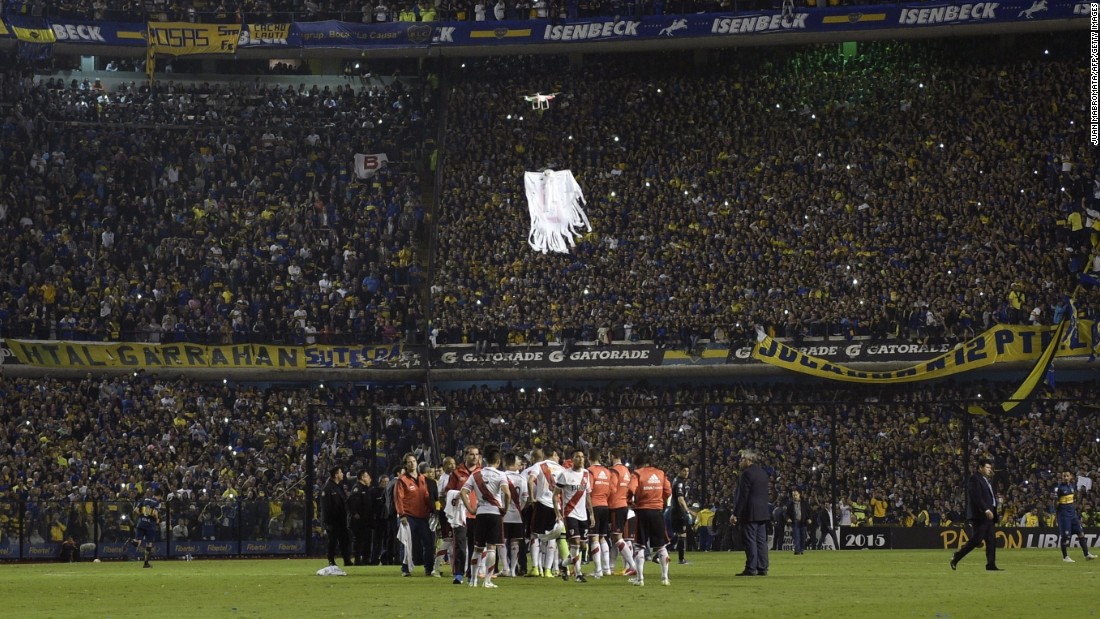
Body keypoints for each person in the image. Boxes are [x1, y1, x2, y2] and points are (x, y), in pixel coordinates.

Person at [460, 445, 509, 588]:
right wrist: (505, 508)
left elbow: (463, 492)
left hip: (480, 514)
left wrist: (470, 509)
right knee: (491, 548)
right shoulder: (501, 475)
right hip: (495, 514)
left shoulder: (476, 475)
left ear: (485, 460)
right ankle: (487, 581)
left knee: (477, 548)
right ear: (498, 461)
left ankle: (473, 580)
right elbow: (507, 493)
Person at [627, 450, 672, 587]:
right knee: (661, 546)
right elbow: (668, 491)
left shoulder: (637, 474)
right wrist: (660, 501)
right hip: (657, 512)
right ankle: (665, 578)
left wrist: (630, 502)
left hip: (642, 511)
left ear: (637, 464)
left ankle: (640, 579)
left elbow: (630, 489)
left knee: (639, 545)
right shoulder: (660, 473)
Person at [951, 457, 1002, 571]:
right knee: (977, 540)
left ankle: (991, 565)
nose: (990, 470)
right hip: (980, 515)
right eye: (987, 467)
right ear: (980, 468)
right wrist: (986, 509)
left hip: (988, 515)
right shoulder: (974, 479)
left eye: (990, 467)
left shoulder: (986, 480)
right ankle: (957, 556)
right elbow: (977, 497)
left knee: (991, 540)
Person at [554, 449, 594, 583]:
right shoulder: (565, 475)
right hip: (570, 513)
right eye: (577, 457)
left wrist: (591, 514)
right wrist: (557, 512)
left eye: (582, 457)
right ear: (572, 459)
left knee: (583, 546)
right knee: (575, 543)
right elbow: (555, 495)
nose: (581, 459)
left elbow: (588, 495)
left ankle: (563, 565)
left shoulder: (586, 474)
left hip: (583, 515)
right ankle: (578, 574)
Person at [444, 445, 481, 584]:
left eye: (476, 454)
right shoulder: (456, 473)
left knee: (475, 545)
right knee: (459, 544)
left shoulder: (481, 472)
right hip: (461, 514)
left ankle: (472, 573)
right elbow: (448, 492)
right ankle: (458, 574)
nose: (474, 457)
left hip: (476, 513)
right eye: (471, 454)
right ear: (465, 456)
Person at [731, 448, 771, 577]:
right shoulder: (763, 473)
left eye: (742, 459)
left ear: (749, 460)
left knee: (750, 541)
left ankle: (751, 568)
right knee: (761, 542)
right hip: (763, 512)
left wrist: (735, 513)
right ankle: (763, 567)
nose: (740, 461)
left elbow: (742, 496)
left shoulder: (746, 474)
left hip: (750, 512)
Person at [395, 452, 435, 577]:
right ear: (405, 465)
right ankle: (405, 568)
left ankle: (429, 568)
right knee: (406, 543)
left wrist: (433, 510)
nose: (412, 463)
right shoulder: (402, 480)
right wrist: (402, 515)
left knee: (429, 543)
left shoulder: (423, 479)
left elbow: (427, 496)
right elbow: (398, 499)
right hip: (408, 516)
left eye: (413, 461)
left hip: (423, 516)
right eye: (409, 462)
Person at [1053, 470, 1098, 563]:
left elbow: (1072, 499)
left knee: (1081, 533)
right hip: (1064, 515)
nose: (1065, 478)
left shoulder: (1072, 486)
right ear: (1062, 477)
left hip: (1072, 514)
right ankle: (1065, 557)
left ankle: (1086, 554)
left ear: (1070, 477)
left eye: (1067, 476)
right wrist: (1058, 511)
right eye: (1064, 476)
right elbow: (1055, 503)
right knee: (1065, 536)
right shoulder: (1059, 488)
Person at [607, 447, 637, 576]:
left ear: (612, 456)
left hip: (615, 505)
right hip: (624, 505)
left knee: (617, 537)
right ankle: (611, 567)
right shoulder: (626, 470)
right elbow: (631, 489)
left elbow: (611, 489)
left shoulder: (614, 471)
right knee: (615, 538)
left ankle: (632, 566)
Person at [501, 452, 529, 577]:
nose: (520, 463)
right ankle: (513, 570)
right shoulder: (523, 478)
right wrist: (519, 509)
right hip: (517, 514)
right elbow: (525, 498)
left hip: (503, 513)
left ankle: (505, 568)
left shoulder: (501, 476)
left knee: (502, 541)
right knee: (515, 542)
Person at [586, 449, 613, 577]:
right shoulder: (607, 472)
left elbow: (588, 490)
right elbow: (610, 490)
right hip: (605, 506)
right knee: (603, 537)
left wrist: (589, 510)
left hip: (594, 506)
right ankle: (607, 568)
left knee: (594, 537)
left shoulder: (590, 471)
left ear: (589, 458)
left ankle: (598, 570)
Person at [320, 466, 351, 571]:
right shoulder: (327, 488)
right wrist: (327, 523)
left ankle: (347, 560)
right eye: (341, 472)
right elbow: (326, 507)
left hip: (341, 520)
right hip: (333, 520)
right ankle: (331, 560)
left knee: (344, 540)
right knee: (332, 541)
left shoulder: (339, 486)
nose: (342, 474)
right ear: (336, 475)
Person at [347, 470, 374, 566]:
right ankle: (358, 560)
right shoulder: (357, 488)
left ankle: (366, 560)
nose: (369, 478)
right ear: (362, 477)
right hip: (359, 521)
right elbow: (351, 502)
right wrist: (355, 513)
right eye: (367, 476)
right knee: (358, 540)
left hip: (366, 520)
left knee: (366, 540)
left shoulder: (366, 488)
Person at [132, 488, 161, 568]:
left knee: (138, 542)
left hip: (141, 522)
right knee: (149, 544)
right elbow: (155, 513)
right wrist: (157, 519)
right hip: (150, 525)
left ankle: (130, 541)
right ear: (160, 495)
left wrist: (141, 515)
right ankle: (146, 563)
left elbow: (136, 510)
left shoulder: (143, 500)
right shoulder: (157, 502)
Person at [670, 465, 693, 565]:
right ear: (679, 471)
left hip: (676, 511)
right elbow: (680, 499)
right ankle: (681, 559)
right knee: (682, 534)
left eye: (687, 471)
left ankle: (660, 554)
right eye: (684, 471)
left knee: (679, 534)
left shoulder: (677, 480)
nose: (686, 473)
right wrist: (687, 511)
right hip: (678, 511)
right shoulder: (679, 483)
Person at [786, 489, 812, 555]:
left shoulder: (804, 503)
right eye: (794, 495)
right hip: (795, 523)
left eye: (796, 495)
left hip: (803, 523)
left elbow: (810, 512)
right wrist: (788, 518)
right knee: (796, 537)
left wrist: (809, 518)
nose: (795, 496)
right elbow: (786, 514)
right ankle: (797, 550)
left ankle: (802, 549)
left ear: (799, 495)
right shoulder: (790, 504)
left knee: (803, 537)